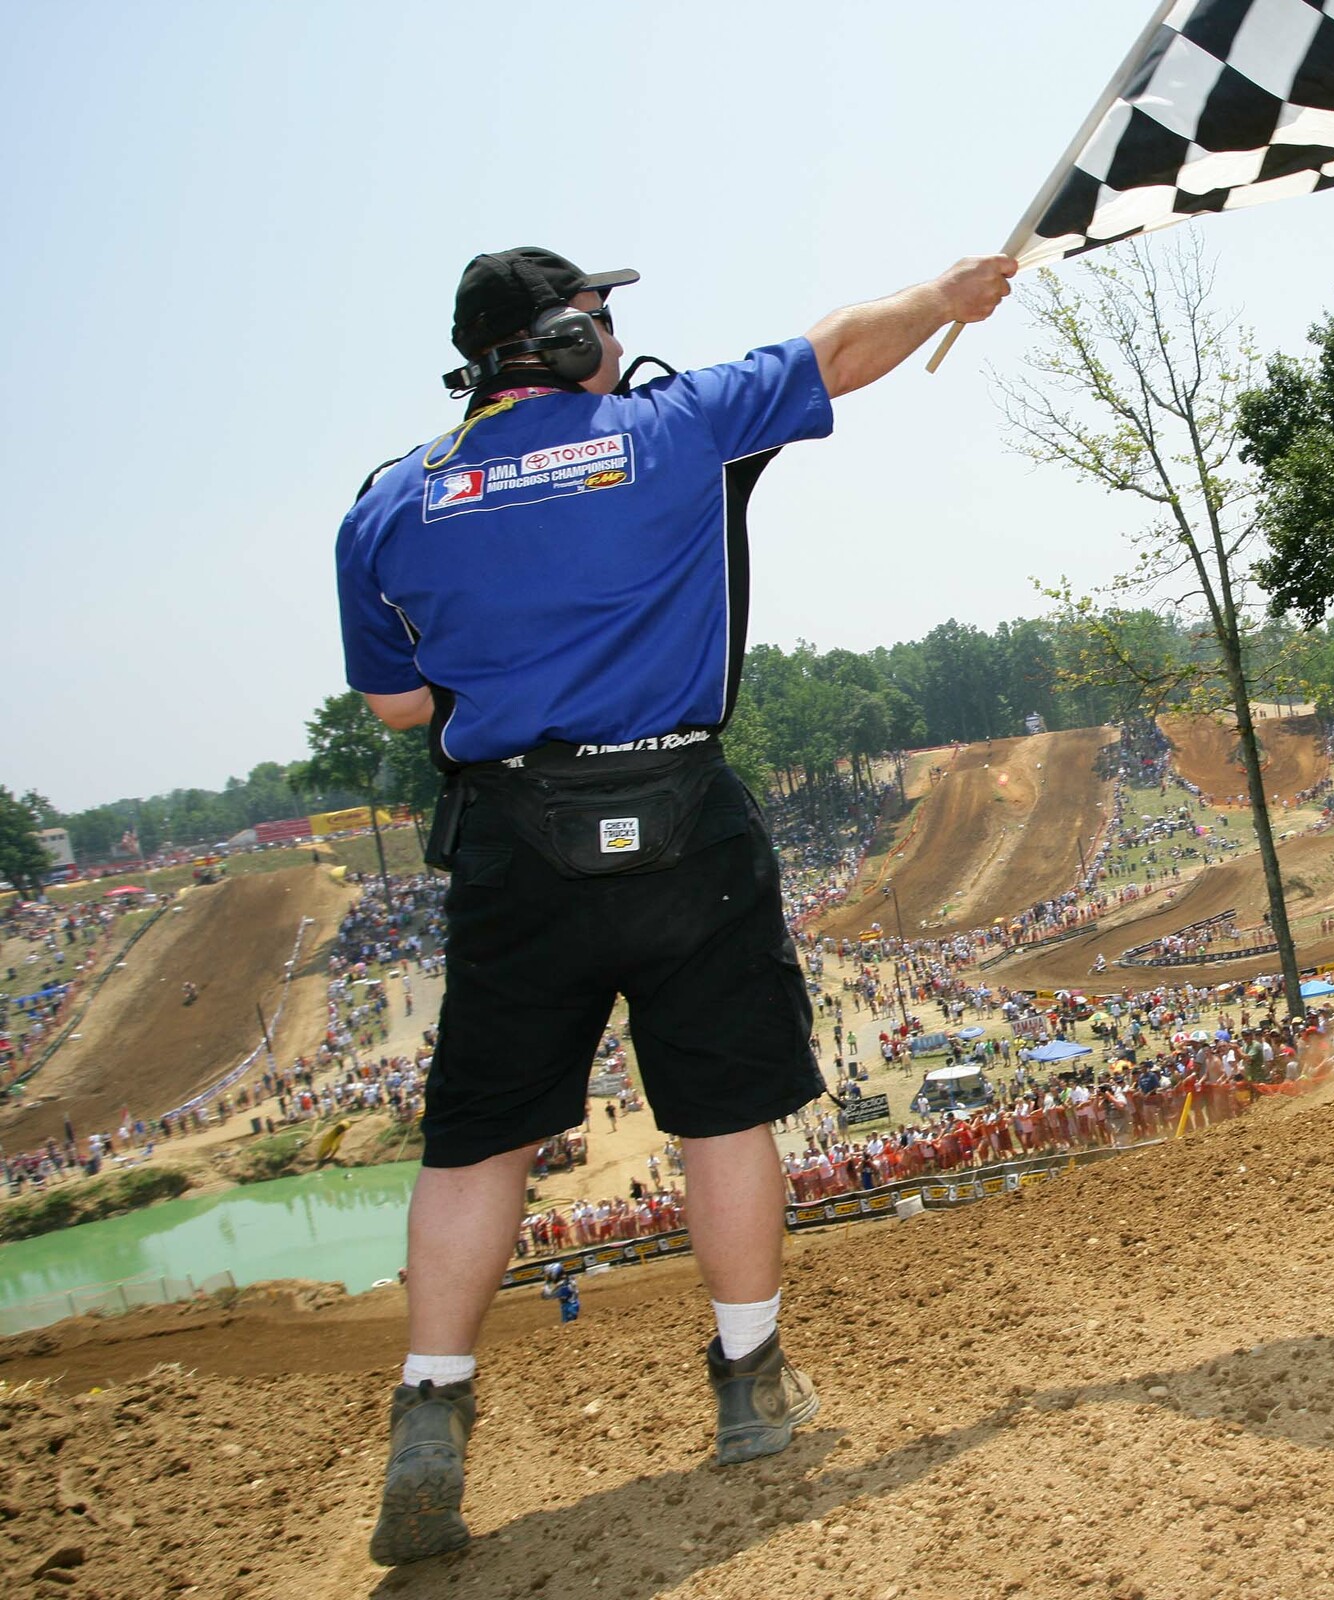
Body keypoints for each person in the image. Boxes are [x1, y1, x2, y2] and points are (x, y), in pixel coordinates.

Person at [340, 244, 1013, 1567]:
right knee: (719, 1113)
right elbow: (839, 349)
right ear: (564, 337)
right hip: (682, 822)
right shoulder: (673, 426)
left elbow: (399, 704)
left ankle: (430, 1410)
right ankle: (750, 1382)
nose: (615, 336)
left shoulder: (385, 503)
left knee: (478, 1142)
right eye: (599, 317)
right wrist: (948, 298)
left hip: (514, 842)